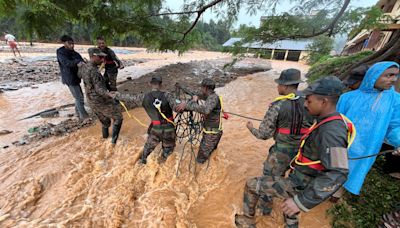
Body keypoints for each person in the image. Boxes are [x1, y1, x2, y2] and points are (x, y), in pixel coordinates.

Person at [235, 76, 353, 228]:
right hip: (301, 175)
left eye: (309, 101)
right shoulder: (327, 121)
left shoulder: (332, 131)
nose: (304, 104)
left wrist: (302, 201)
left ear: (324, 102)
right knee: (289, 207)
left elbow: (339, 172)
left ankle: (248, 221)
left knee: (252, 185)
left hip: (301, 183)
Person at [337, 61, 400, 195]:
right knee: (334, 166)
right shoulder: (348, 98)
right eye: (388, 75)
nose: (393, 80)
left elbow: (395, 125)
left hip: (367, 148)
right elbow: (335, 122)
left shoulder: (394, 100)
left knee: (354, 172)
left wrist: (399, 141)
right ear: (373, 75)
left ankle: (339, 192)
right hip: (342, 144)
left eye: (395, 75)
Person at [246, 68, 313, 179]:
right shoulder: (310, 103)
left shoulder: (277, 105)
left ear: (285, 86)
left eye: (278, 84)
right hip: (304, 152)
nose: (277, 87)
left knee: (270, 180)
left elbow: (263, 134)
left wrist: (251, 128)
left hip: (283, 152)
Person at [78, 48, 123, 144]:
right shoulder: (94, 71)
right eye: (100, 57)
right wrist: (109, 94)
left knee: (106, 121)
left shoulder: (84, 67)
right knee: (118, 117)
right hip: (99, 100)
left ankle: (104, 139)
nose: (103, 60)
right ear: (93, 56)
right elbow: (99, 89)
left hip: (91, 100)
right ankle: (113, 143)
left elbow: (80, 76)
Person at [176, 79, 224, 164]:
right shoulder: (209, 96)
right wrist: (182, 87)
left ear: (205, 88)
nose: (201, 89)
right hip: (212, 133)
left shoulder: (213, 98)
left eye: (201, 87)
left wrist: (189, 103)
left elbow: (205, 110)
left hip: (211, 135)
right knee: (210, 156)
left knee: (200, 160)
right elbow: (194, 93)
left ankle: (200, 175)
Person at [56, 35, 89, 120]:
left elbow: (80, 60)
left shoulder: (75, 53)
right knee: (79, 98)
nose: (72, 46)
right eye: (69, 44)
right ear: (64, 43)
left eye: (73, 44)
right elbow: (66, 63)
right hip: (69, 78)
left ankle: (78, 114)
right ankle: (84, 116)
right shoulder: (60, 52)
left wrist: (84, 62)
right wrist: (77, 62)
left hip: (76, 77)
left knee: (78, 96)